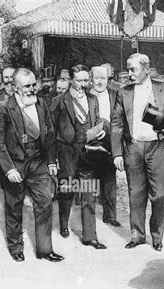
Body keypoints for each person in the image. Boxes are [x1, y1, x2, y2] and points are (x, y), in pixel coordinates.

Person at [0, 68, 64, 263]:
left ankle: (45, 250)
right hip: (15, 165)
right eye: (27, 86)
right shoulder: (2, 108)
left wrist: (51, 161)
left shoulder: (41, 103)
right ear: (15, 87)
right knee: (14, 207)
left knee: (45, 203)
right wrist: (9, 169)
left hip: (38, 163)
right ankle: (15, 247)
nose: (32, 89)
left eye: (34, 85)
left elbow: (49, 134)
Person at [111, 53, 164, 251]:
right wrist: (117, 153)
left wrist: (163, 125)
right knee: (135, 193)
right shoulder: (123, 92)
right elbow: (116, 123)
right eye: (128, 69)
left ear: (146, 69)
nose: (129, 74)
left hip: (157, 147)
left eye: (133, 70)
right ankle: (137, 235)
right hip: (133, 147)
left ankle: (157, 236)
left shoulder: (163, 88)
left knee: (160, 194)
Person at [51, 65, 109, 249]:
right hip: (67, 152)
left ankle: (90, 236)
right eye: (79, 81)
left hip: (88, 151)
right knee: (67, 191)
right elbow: (51, 132)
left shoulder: (93, 99)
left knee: (89, 193)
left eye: (86, 80)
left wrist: (101, 128)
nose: (84, 84)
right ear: (71, 80)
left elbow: (99, 118)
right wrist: (52, 159)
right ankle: (63, 224)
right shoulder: (58, 101)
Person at [89, 66, 120, 227]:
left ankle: (110, 215)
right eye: (96, 78)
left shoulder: (115, 95)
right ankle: (89, 218)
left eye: (103, 78)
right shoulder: (85, 96)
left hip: (110, 142)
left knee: (109, 179)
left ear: (108, 79)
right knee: (91, 178)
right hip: (91, 143)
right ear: (91, 79)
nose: (100, 81)